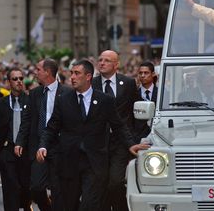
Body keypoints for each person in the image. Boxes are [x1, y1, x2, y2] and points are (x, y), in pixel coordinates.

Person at [36, 59, 150, 211]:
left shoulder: (105, 100)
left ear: (88, 76)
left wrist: (131, 144)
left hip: (94, 162)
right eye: (71, 73)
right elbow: (51, 127)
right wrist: (43, 146)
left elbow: (118, 126)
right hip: (70, 162)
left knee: (89, 205)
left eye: (77, 73)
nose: (72, 77)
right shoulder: (63, 100)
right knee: (69, 204)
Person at [15, 58, 70, 211]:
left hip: (59, 147)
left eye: (38, 69)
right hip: (38, 146)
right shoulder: (34, 93)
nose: (35, 72)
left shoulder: (67, 92)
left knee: (58, 189)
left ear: (47, 72)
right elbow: (26, 121)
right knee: (37, 187)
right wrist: (19, 141)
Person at [0, 68, 35, 211]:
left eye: (21, 78)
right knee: (10, 188)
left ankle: (27, 206)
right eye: (15, 79)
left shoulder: (31, 101)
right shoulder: (0, 104)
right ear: (9, 82)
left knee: (26, 188)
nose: (19, 82)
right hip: (7, 150)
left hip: (27, 151)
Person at [91, 50, 141, 211]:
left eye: (107, 60)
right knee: (102, 183)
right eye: (100, 60)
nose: (102, 63)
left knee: (116, 181)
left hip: (120, 142)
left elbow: (136, 111)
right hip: (98, 143)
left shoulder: (128, 83)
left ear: (116, 64)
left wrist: (133, 138)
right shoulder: (92, 84)